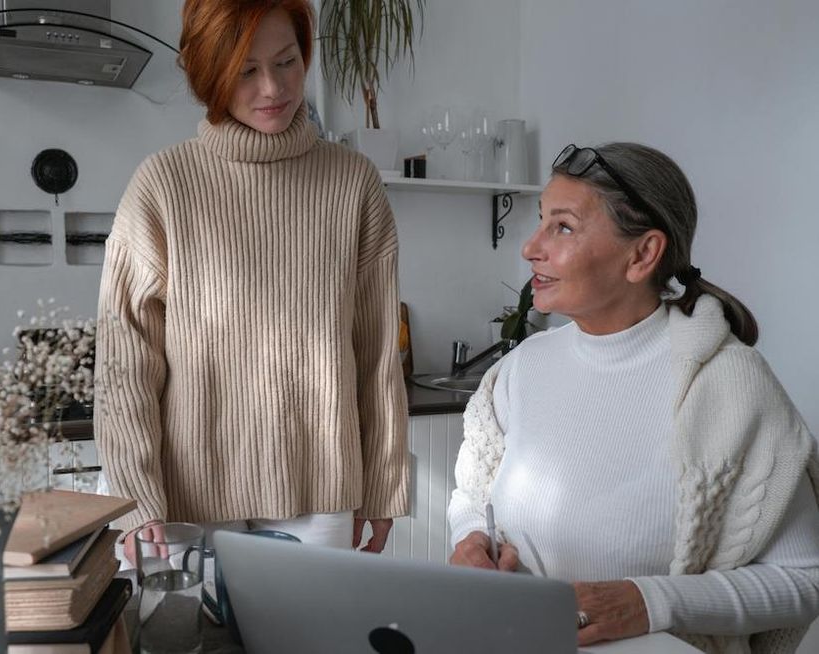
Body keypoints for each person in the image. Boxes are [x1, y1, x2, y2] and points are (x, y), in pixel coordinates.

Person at [447, 142, 819, 653]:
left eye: (563, 227)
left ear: (642, 254)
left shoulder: (731, 387)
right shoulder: (521, 369)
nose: (531, 247)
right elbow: (472, 494)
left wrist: (647, 603)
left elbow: (804, 579)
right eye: (540, 221)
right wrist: (469, 537)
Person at [94, 0, 408, 555]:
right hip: (186, 501)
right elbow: (125, 365)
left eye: (287, 61)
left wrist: (384, 484)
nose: (273, 88)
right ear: (209, 75)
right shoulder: (162, 185)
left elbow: (377, 351)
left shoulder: (353, 183)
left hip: (322, 492)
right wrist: (136, 498)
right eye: (246, 70)